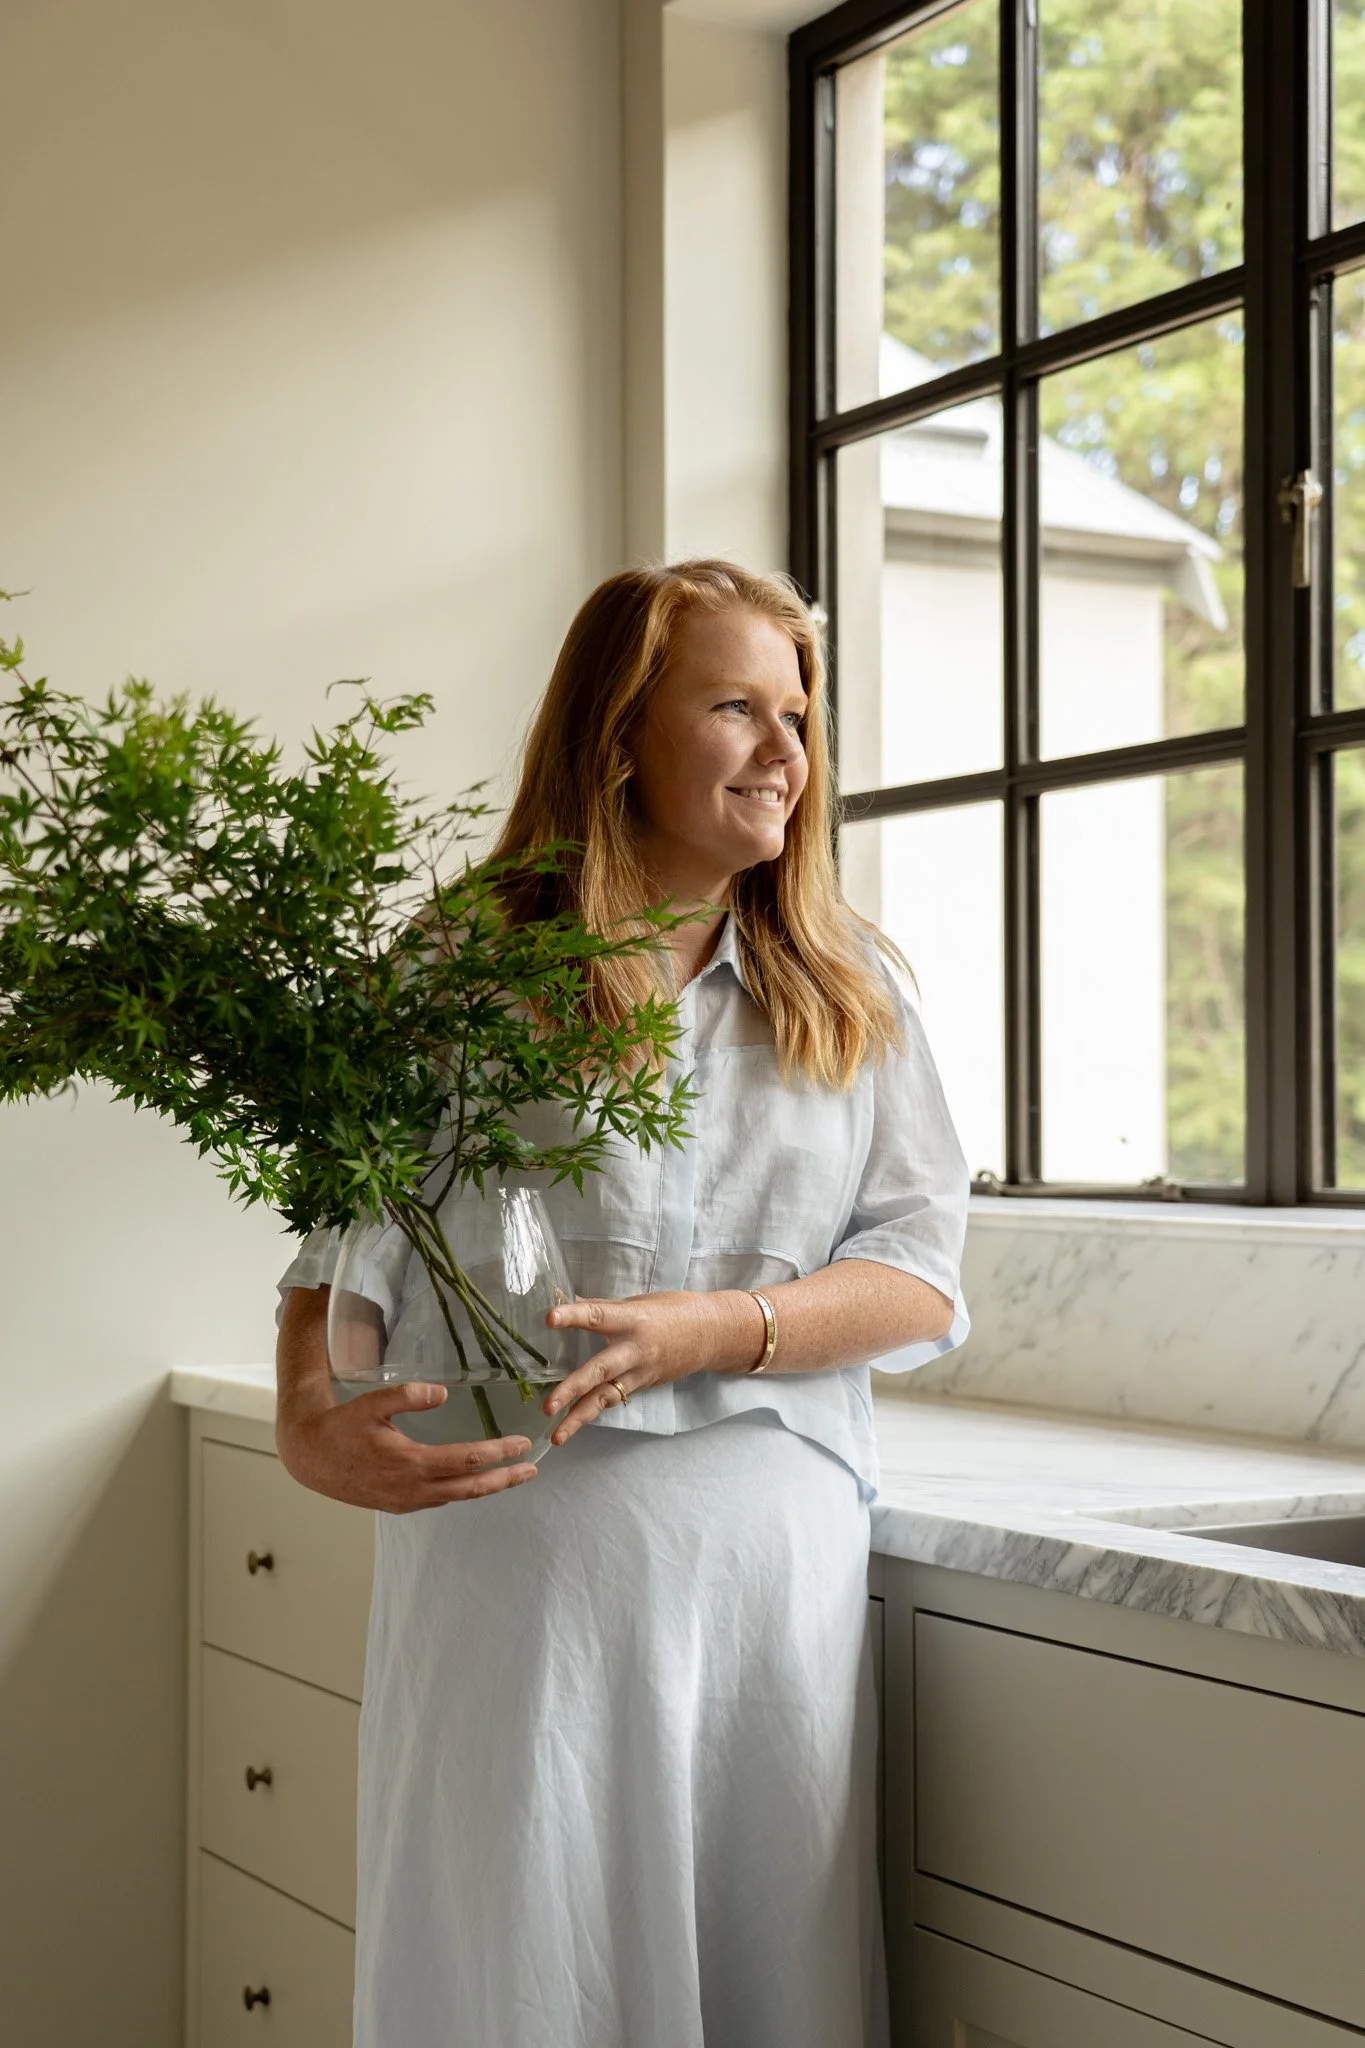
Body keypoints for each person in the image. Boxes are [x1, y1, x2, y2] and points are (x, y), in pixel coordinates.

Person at [274, 559, 970, 2048]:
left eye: (798, 711)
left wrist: (720, 1331)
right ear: (617, 736)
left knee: (761, 1968)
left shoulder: (855, 990)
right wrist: (309, 1424)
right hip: (522, 1570)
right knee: (515, 1966)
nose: (787, 749)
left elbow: (919, 1272)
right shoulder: (462, 969)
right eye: (735, 705)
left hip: (765, 1587)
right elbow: (343, 1253)